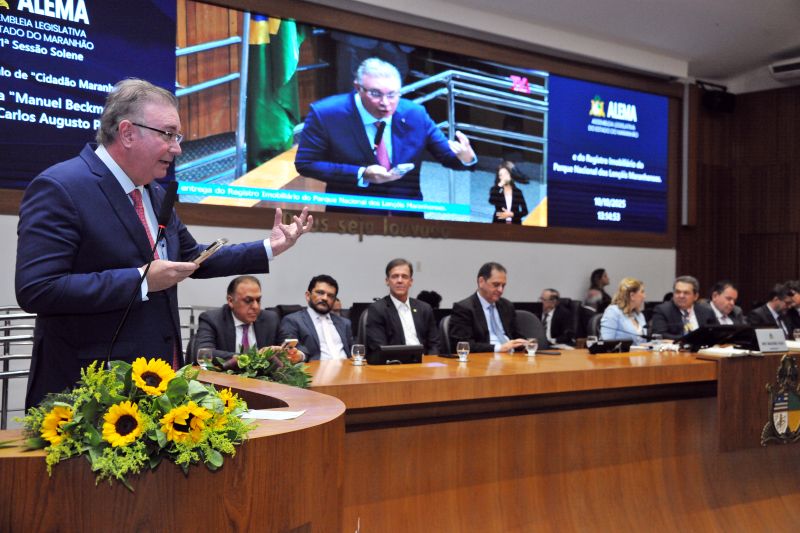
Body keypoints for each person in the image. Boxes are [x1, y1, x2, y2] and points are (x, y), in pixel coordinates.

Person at [15, 79, 313, 408]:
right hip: (86, 389)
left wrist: (269, 247)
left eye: (178, 136)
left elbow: (192, 258)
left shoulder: (154, 193)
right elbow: (38, 289)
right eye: (168, 134)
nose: (178, 148)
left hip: (156, 384)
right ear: (127, 132)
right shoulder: (61, 187)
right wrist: (141, 280)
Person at [294, 57, 477, 213]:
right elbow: (306, 163)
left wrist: (465, 157)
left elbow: (447, 157)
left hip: (407, 217)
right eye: (375, 94)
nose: (385, 103)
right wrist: (361, 174)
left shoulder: (415, 114)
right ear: (358, 87)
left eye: (392, 95)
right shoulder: (326, 114)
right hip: (351, 218)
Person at [194, 276, 302, 363]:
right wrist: (254, 357)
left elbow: (298, 347)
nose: (255, 306)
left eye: (258, 300)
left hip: (264, 384)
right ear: (231, 301)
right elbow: (204, 353)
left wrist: (297, 354)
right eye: (248, 300)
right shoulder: (212, 319)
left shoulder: (270, 319)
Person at [365, 259, 440, 355]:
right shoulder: (377, 309)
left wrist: (431, 364)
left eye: (404, 276)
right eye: (395, 276)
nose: (400, 280)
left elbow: (434, 345)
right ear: (387, 281)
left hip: (425, 364)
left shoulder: (425, 308)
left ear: (411, 282)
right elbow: (379, 348)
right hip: (396, 365)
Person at [449, 262, 528, 353]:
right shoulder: (464, 308)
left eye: (503, 285)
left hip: (512, 357)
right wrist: (499, 348)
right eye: (496, 284)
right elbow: (462, 344)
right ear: (481, 282)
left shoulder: (507, 306)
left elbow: (517, 335)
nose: (500, 290)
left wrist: (525, 343)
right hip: (484, 359)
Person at [279, 275, 353, 360]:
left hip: (347, 368)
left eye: (330, 295)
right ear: (308, 295)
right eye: (320, 293)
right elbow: (293, 349)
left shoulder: (344, 323)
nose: (325, 298)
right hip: (315, 370)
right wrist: (300, 356)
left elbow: (353, 351)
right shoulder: (292, 321)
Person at [650, 276, 716, 340]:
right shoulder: (662, 310)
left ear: (695, 296)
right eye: (677, 292)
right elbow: (659, 334)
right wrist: (690, 339)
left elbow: (715, 333)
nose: (681, 296)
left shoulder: (706, 312)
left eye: (686, 293)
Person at [599, 278, 648, 344]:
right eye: (642, 292)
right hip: (620, 354)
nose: (644, 296)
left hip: (641, 354)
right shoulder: (613, 312)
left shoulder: (639, 315)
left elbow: (644, 343)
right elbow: (606, 344)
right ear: (632, 296)